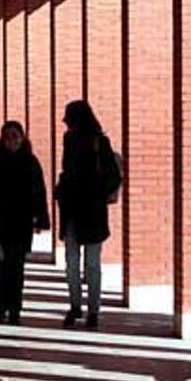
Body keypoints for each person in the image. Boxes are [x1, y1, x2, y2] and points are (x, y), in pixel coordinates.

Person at [0, 121, 50, 325]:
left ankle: (14, 309)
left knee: (17, 268)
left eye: (16, 136)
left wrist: (41, 218)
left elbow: (39, 191)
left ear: (23, 138)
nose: (12, 141)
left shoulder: (30, 161)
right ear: (2, 138)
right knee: (0, 267)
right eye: (8, 137)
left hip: (21, 222)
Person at [55, 100, 121, 329]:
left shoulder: (99, 142)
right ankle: (76, 305)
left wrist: (96, 191)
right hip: (74, 209)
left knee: (91, 263)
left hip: (91, 211)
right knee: (72, 261)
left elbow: (114, 175)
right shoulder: (69, 140)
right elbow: (67, 170)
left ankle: (93, 309)